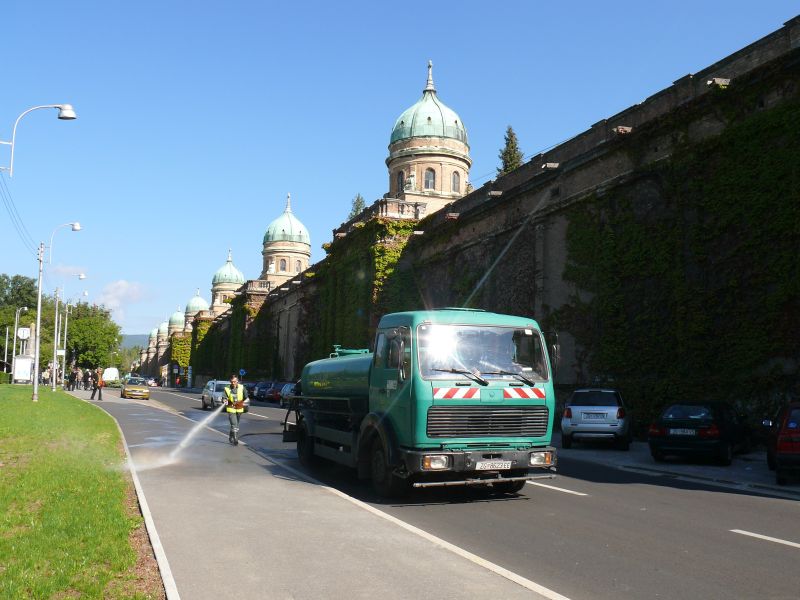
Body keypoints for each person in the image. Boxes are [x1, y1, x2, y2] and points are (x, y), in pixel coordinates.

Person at [223, 374, 248, 446]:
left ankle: (231, 436)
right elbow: (224, 397)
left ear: (237, 381)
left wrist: (240, 402)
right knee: (234, 424)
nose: (233, 383)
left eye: (234, 382)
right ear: (230, 381)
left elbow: (246, 396)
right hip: (231, 408)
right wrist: (225, 400)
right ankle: (235, 439)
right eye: (232, 382)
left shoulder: (242, 387)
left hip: (239, 408)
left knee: (236, 424)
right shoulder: (227, 388)